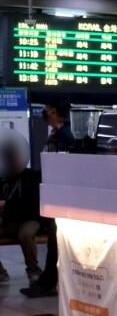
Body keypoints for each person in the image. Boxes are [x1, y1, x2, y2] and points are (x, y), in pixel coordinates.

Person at [21, 102, 75, 298]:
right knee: (54, 242)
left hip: (60, 196)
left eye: (47, 109)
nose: (44, 113)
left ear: (54, 111)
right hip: (54, 194)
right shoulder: (57, 133)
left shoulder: (65, 135)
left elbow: (63, 165)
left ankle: (48, 282)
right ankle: (48, 281)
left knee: (55, 242)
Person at [0, 138, 42, 283]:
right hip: (9, 220)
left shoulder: (32, 176)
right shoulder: (3, 178)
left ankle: (33, 270)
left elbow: (34, 201)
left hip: (28, 219)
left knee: (25, 234)